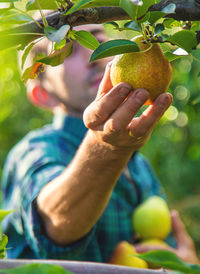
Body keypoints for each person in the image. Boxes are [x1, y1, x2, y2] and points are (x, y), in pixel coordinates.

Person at [1, 24, 199, 264]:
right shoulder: (34, 150)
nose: (95, 57)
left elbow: (169, 251)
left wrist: (183, 264)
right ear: (44, 94)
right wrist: (106, 149)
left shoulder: (140, 167)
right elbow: (52, 226)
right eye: (67, 50)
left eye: (98, 40)